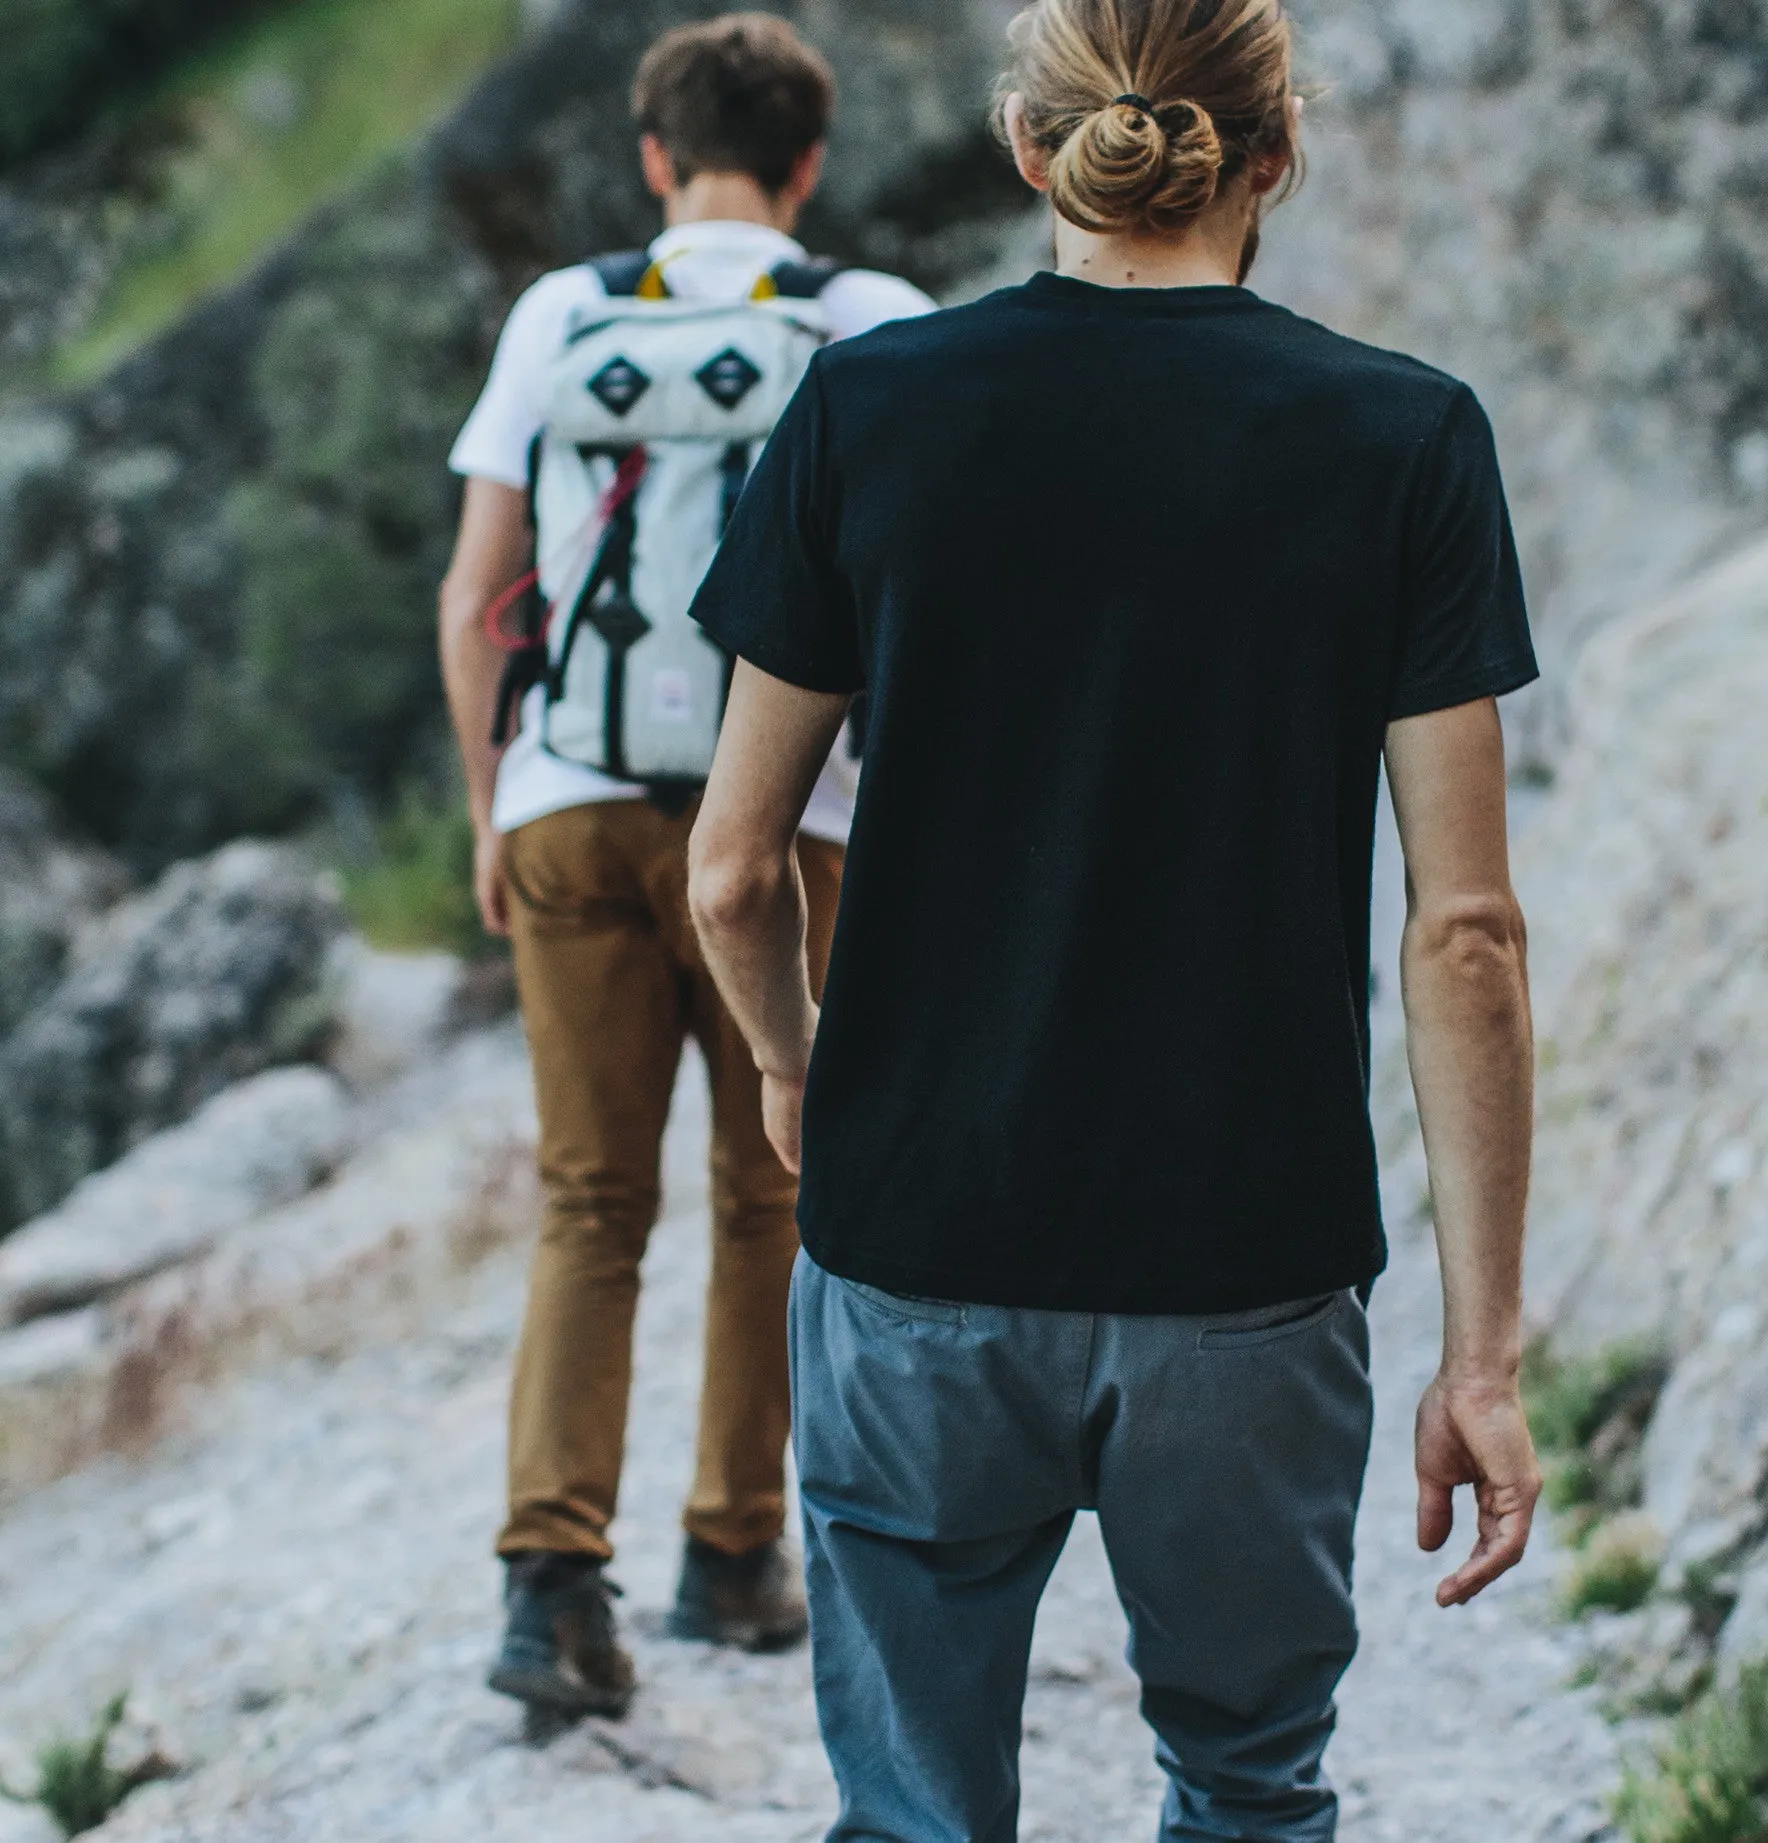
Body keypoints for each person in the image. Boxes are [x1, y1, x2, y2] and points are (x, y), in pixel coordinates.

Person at [683, 0, 1544, 1834]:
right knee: (1247, 1788)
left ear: (1025, 148)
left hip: (918, 1238)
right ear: (1275, 151)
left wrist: (787, 1065)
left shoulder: (868, 405)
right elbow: (1463, 934)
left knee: (914, 1808)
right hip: (1244, 1262)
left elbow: (731, 866)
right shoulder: (1404, 437)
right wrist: (1479, 1359)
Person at [437, 12, 933, 1720]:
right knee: (771, 1194)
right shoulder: (868, 321)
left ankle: (549, 1588)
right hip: (787, 816)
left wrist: (494, 804)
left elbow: (474, 584)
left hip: (567, 802)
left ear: (655, 159)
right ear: (807, 165)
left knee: (589, 1203)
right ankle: (733, 1557)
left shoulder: (559, 313)